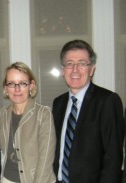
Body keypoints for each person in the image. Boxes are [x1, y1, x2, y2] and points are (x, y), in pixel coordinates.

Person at [52, 39, 124, 183]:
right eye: (69, 64)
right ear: (63, 70)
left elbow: (113, 157)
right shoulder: (58, 103)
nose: (75, 70)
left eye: (82, 64)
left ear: (92, 69)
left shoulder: (107, 100)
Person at [0, 62, 56, 183]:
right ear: (5, 87)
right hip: (7, 179)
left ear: (31, 85)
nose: (17, 89)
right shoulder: (2, 114)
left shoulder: (43, 114)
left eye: (23, 83)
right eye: (11, 84)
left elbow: (45, 159)